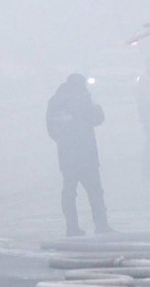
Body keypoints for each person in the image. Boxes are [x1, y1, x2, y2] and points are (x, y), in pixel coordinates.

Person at [46, 73, 115, 236]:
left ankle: (71, 227)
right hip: (86, 154)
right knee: (95, 192)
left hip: (66, 156)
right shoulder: (81, 99)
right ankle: (101, 225)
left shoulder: (55, 103)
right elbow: (98, 118)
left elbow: (52, 130)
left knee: (69, 193)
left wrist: (64, 142)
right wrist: (95, 105)